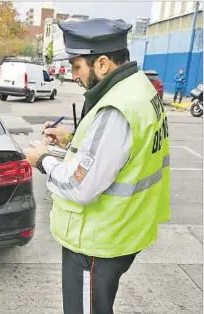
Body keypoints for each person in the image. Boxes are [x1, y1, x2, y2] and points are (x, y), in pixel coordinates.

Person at [23, 18, 170, 314]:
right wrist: (72, 138)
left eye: (77, 66)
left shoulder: (116, 109)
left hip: (97, 241)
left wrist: (42, 160)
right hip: (126, 230)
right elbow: (120, 150)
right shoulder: (139, 87)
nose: (74, 75)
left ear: (102, 63)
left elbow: (80, 186)